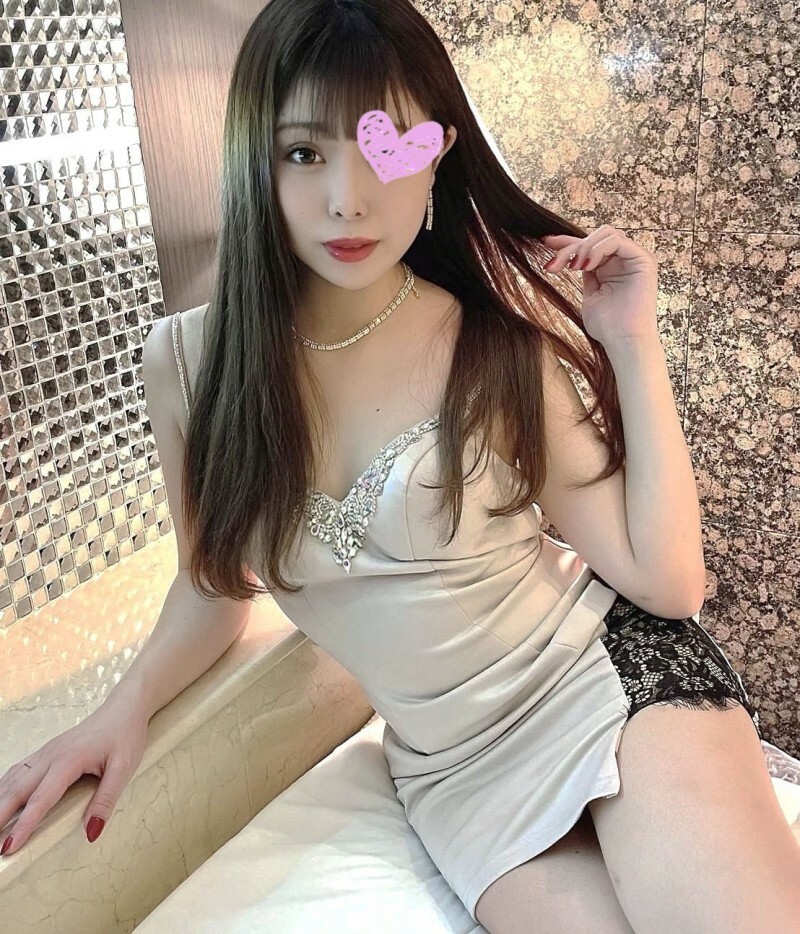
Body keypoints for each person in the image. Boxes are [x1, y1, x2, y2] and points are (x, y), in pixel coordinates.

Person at [3, 2, 791, 932]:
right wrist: (122, 710)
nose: (348, 198)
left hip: (607, 682)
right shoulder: (185, 366)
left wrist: (630, 341)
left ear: (436, 155)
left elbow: (668, 584)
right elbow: (212, 586)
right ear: (255, 159)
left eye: (385, 149)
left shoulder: (496, 351)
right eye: (305, 152)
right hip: (456, 775)